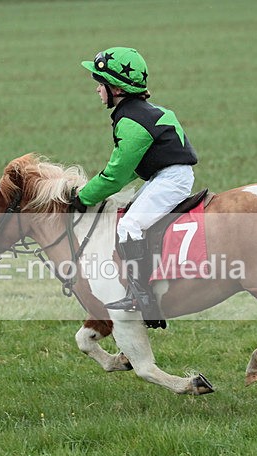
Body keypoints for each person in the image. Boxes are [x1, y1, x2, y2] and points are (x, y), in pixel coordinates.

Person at [71, 46, 198, 320]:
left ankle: (143, 298)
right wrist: (92, 191)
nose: (97, 90)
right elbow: (128, 170)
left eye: (99, 83)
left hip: (170, 179)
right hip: (166, 176)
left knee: (129, 225)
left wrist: (84, 198)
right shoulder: (144, 112)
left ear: (116, 88)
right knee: (130, 218)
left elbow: (117, 173)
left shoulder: (130, 121)